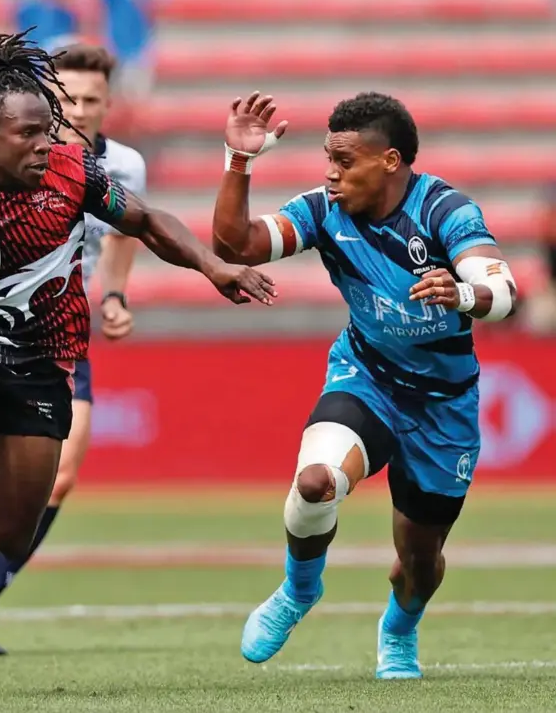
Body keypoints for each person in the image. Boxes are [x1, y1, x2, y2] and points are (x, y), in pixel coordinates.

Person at [0, 30, 276, 699]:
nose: (46, 145)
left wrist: (212, 264)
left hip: (42, 362)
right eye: (29, 135)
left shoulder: (71, 174)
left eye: (49, 132)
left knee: (14, 533)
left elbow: (145, 221)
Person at [212, 91, 518, 679]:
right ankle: (299, 590)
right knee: (315, 481)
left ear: (391, 161)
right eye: (328, 157)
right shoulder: (323, 209)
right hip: (367, 377)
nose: (331, 172)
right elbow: (238, 243)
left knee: (419, 562)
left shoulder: (446, 212)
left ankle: (398, 630)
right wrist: (238, 160)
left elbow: (502, 290)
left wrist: (463, 294)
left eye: (345, 161)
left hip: (443, 407)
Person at [0, 42, 145, 655]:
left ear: (109, 105)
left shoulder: (121, 167)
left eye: (92, 100)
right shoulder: (14, 159)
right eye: (68, 99)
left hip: (58, 336)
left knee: (63, 475)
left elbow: (129, 230)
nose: (79, 110)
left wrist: (117, 296)